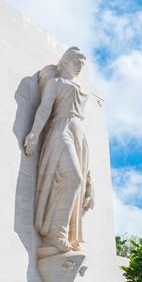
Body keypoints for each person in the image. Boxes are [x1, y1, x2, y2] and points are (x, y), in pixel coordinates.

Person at [24, 47, 94, 253]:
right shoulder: (56, 83)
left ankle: (69, 235)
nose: (80, 68)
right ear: (65, 61)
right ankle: (56, 232)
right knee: (73, 178)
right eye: (77, 63)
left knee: (79, 181)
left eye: (82, 65)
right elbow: (45, 108)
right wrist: (34, 133)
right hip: (60, 128)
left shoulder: (78, 87)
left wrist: (91, 184)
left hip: (79, 134)